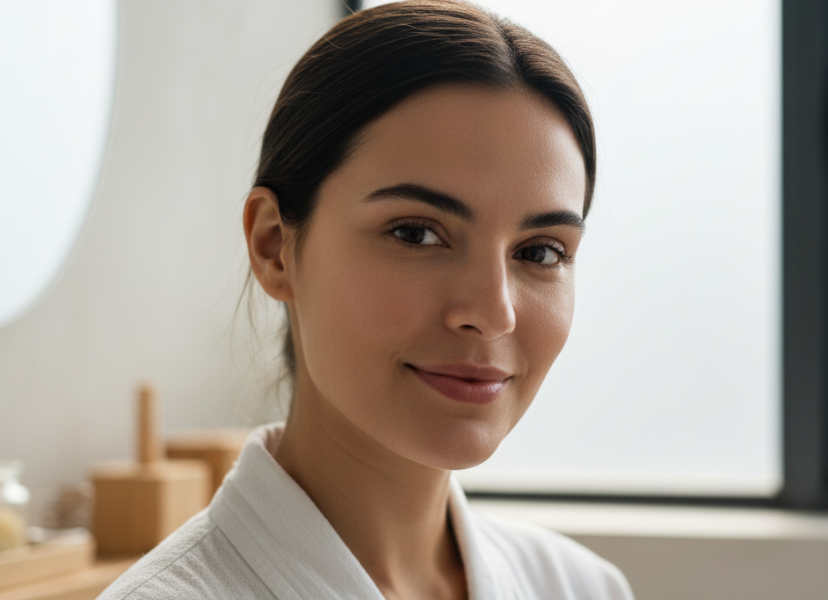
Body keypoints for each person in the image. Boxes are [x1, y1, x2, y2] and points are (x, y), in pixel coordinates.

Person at [99, 1, 634, 598]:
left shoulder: (581, 588)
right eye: (417, 233)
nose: (492, 313)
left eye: (540, 253)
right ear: (275, 245)